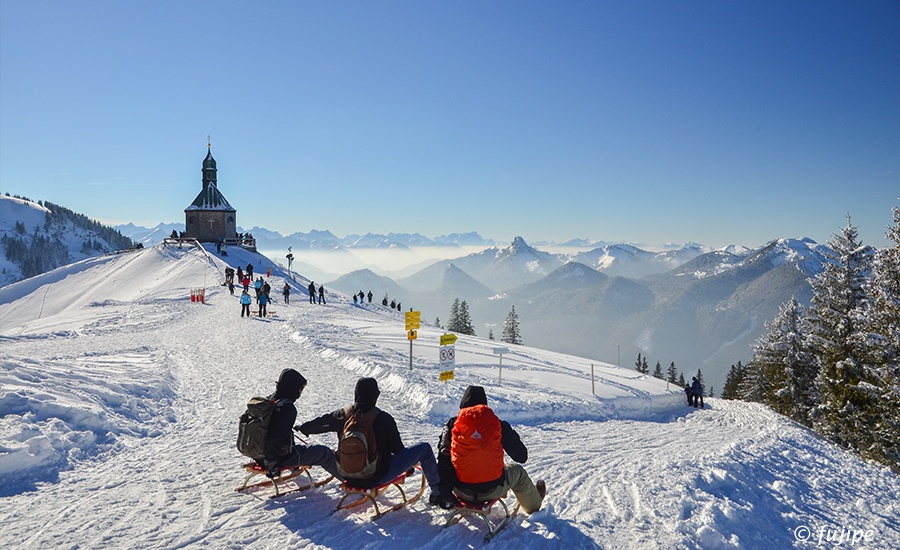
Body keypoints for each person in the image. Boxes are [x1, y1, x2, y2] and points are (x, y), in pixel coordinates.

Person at [297, 377, 441, 502]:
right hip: (376, 477)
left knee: (328, 453)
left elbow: (323, 422)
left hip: (345, 475)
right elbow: (398, 450)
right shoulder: (383, 418)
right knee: (425, 448)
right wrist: (407, 466)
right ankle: (438, 494)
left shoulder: (344, 414)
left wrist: (304, 428)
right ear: (375, 396)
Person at [436, 386, 546, 513]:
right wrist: (510, 435)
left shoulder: (451, 425)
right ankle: (534, 504)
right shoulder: (497, 424)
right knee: (518, 471)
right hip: (492, 489)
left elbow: (443, 458)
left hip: (460, 490)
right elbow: (521, 456)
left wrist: (444, 492)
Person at [257, 369, 344, 481]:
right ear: (292, 387)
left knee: (290, 439)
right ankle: (349, 481)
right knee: (324, 453)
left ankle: (293, 467)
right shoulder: (287, 408)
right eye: (300, 389)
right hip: (276, 459)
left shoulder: (269, 400)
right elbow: (276, 439)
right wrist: (271, 466)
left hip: (259, 455)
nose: (300, 392)